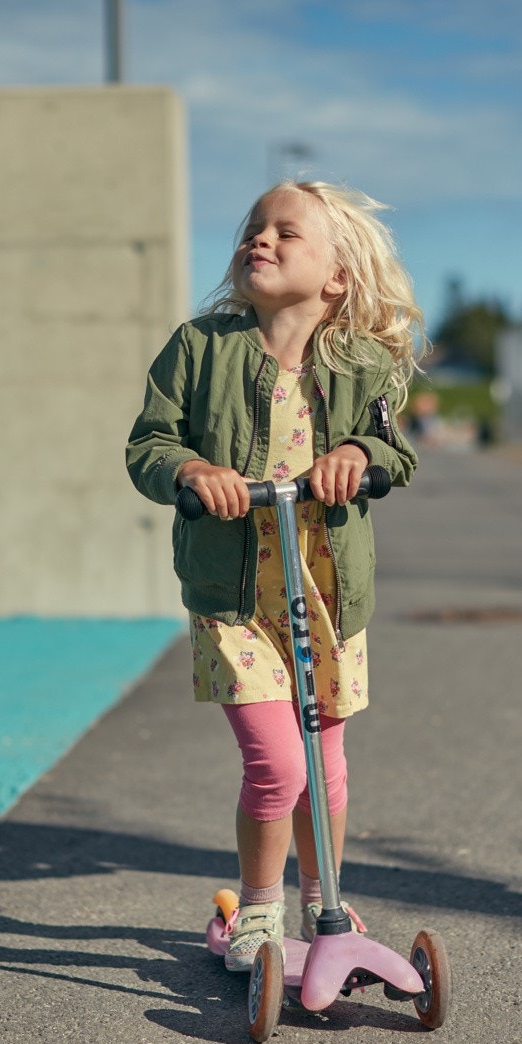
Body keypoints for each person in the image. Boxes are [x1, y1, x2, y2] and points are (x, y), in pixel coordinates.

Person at [126, 181, 421, 971]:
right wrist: (191, 468)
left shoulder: (365, 362)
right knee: (278, 764)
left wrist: (358, 457)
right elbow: (148, 446)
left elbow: (393, 446)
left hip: (324, 596)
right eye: (254, 229)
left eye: (286, 233)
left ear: (336, 275)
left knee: (325, 766)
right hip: (235, 600)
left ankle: (326, 903)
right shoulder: (198, 347)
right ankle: (259, 912)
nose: (261, 239)